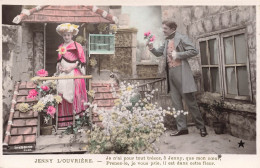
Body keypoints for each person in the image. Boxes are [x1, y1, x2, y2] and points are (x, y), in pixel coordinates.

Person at [147, 20, 207, 137]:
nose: (163, 30)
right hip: (171, 74)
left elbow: (194, 51)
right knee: (176, 103)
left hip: (182, 72)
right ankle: (182, 128)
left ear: (172, 29)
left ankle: (201, 127)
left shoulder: (182, 37)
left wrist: (178, 55)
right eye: (163, 28)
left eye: (165, 28)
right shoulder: (166, 40)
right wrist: (151, 48)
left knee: (191, 103)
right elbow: (159, 53)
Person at [56, 23, 88, 127]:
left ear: (72, 35)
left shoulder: (76, 45)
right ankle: (66, 122)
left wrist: (71, 67)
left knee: (76, 95)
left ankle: (77, 121)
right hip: (63, 74)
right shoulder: (60, 47)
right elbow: (59, 60)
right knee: (62, 96)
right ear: (62, 35)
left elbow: (81, 60)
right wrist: (60, 66)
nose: (66, 37)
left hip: (73, 73)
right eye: (64, 35)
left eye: (68, 35)